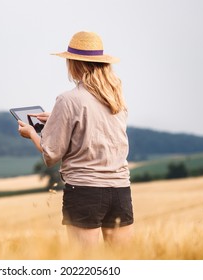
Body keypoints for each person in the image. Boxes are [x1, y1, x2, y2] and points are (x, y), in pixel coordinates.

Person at [17, 31, 134, 247]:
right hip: (120, 190)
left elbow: (51, 154)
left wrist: (32, 133)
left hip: (85, 190)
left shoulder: (68, 100)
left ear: (74, 63)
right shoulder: (116, 99)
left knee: (83, 265)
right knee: (122, 262)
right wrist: (58, 117)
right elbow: (96, 128)